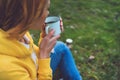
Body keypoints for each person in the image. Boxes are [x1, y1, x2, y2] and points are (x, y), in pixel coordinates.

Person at [0, 0, 82, 80]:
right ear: (30, 14)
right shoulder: (6, 69)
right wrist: (44, 55)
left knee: (61, 48)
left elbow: (31, 57)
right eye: (46, 9)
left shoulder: (18, 31)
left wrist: (45, 38)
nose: (48, 13)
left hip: (33, 69)